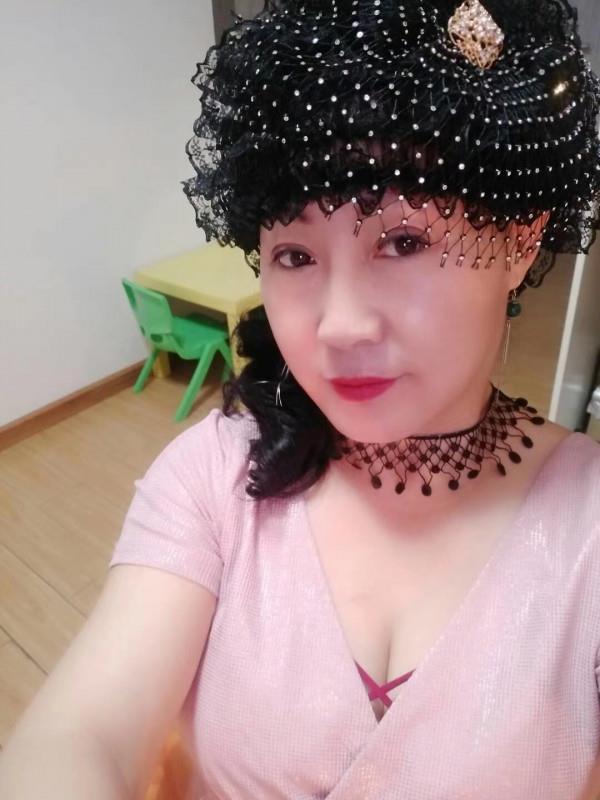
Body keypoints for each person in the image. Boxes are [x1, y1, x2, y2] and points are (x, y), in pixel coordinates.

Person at [1, 1, 599, 799]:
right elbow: (82, 736)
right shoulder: (217, 475)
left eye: (403, 241)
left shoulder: (587, 525)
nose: (339, 326)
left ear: (521, 241)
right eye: (293, 254)